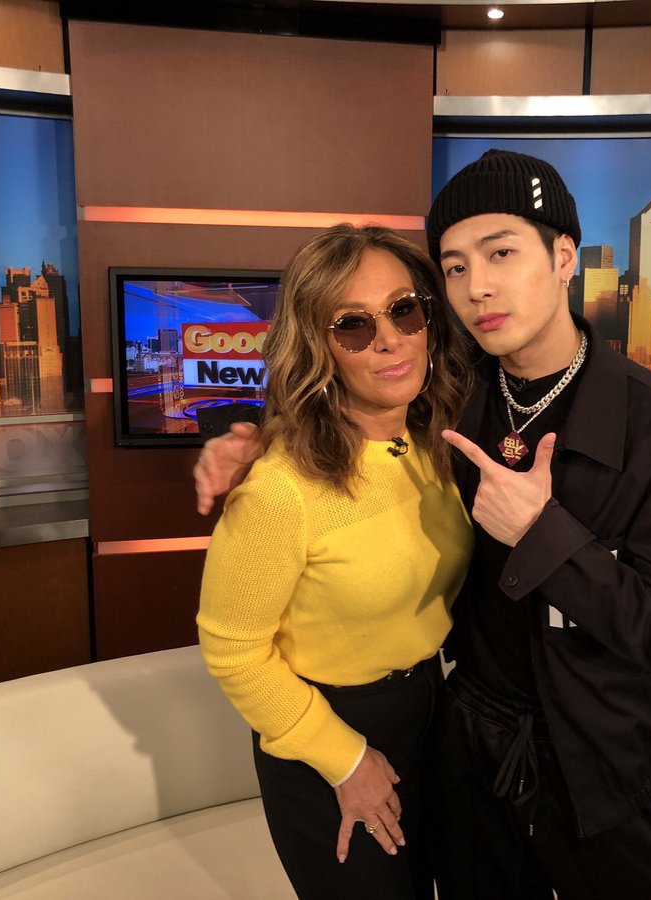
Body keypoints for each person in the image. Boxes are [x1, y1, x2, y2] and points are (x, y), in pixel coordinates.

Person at [195, 150, 651, 900]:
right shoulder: (453, 393)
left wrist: (545, 534)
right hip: (468, 752)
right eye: (455, 267)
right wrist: (245, 436)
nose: (479, 287)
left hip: (602, 760)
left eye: (501, 253)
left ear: (563, 257)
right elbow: (336, 402)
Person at [196, 224, 474, 900]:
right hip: (327, 734)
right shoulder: (279, 489)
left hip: (429, 709)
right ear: (317, 347)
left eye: (404, 310)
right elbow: (233, 653)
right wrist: (345, 760)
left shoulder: (437, 442)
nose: (390, 339)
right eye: (353, 325)